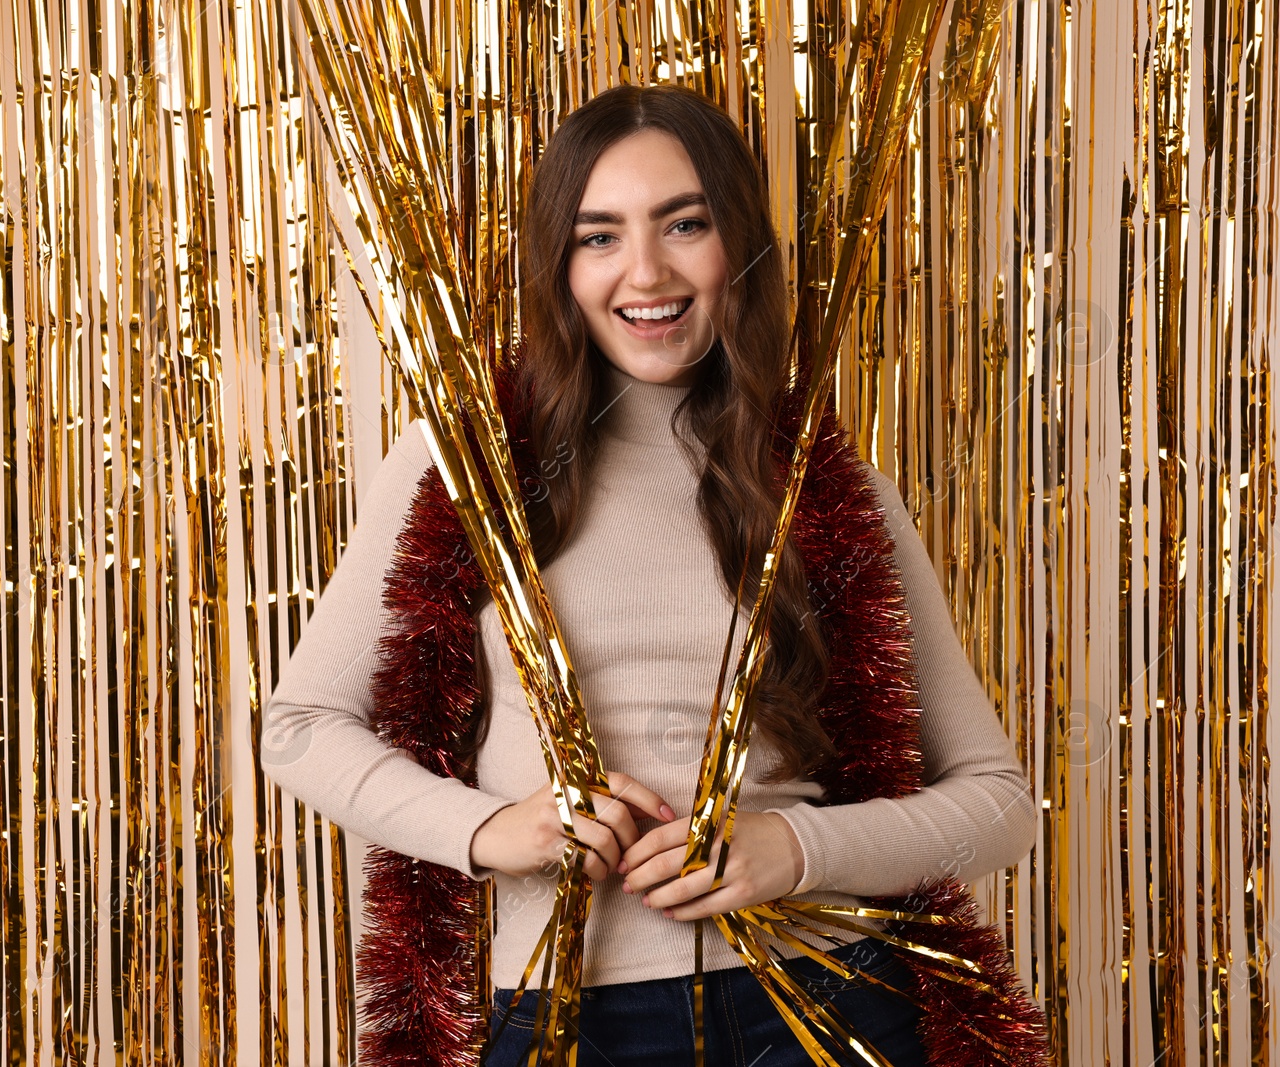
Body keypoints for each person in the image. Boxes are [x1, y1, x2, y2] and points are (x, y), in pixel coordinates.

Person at [261, 84, 1038, 1066]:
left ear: (738, 249)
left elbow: (999, 804)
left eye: (685, 223)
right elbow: (299, 728)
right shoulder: (461, 468)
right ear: (559, 265)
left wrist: (795, 850)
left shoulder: (829, 489)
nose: (646, 271)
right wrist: (492, 827)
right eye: (599, 236)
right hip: (564, 1018)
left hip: (829, 1001)